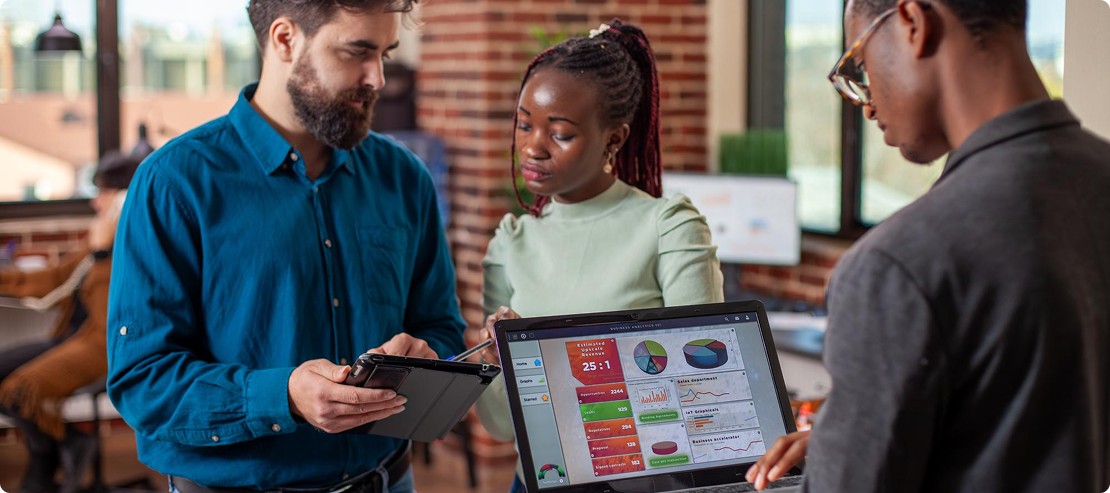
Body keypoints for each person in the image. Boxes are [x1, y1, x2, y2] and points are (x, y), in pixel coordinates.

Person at [745, 0, 1110, 491]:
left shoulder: (896, 266)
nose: (867, 103)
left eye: (861, 65)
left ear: (914, 23)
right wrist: (852, 440)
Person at [105, 1, 465, 492]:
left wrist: (429, 359)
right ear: (284, 39)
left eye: (385, 53)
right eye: (358, 51)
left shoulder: (404, 179)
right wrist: (284, 396)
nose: (378, 78)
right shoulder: (173, 184)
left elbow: (441, 328)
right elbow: (143, 382)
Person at [469, 19, 725, 493]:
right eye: (524, 125)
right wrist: (498, 361)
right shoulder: (511, 240)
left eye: (559, 133)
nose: (532, 147)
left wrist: (558, 370)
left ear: (614, 140)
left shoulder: (668, 225)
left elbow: (704, 388)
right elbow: (502, 428)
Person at [0, 152, 140, 493]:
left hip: (103, 345)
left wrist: (103, 253)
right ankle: (62, 446)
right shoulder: (99, 234)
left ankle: (49, 456)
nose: (96, 203)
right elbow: (57, 278)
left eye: (104, 193)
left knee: (20, 388)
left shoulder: (134, 238)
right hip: (73, 336)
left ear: (125, 196)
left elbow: (118, 313)